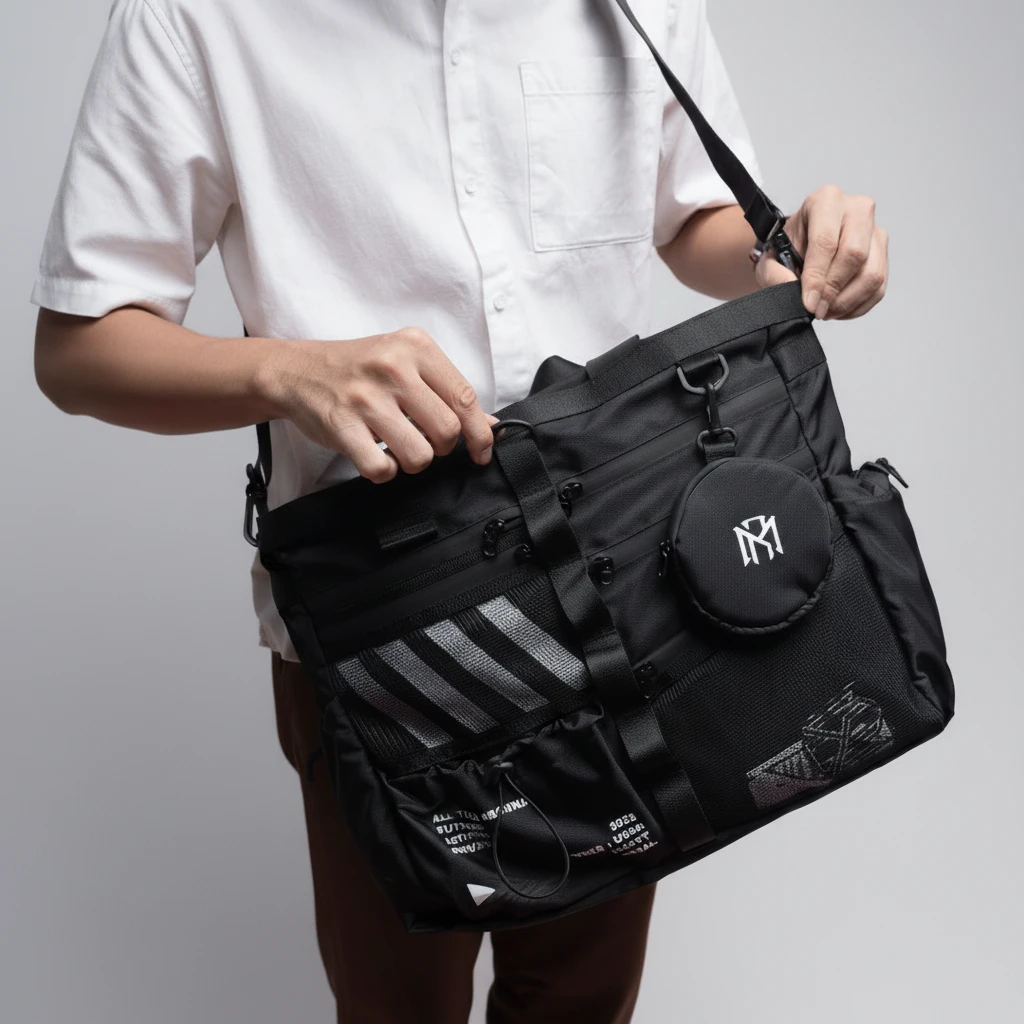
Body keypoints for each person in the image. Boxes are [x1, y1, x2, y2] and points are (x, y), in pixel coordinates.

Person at [31, 1, 889, 1021]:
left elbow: (686, 215)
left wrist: (786, 243)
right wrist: (288, 372)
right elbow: (78, 346)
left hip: (620, 589)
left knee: (581, 1004)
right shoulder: (199, 15)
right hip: (388, 626)